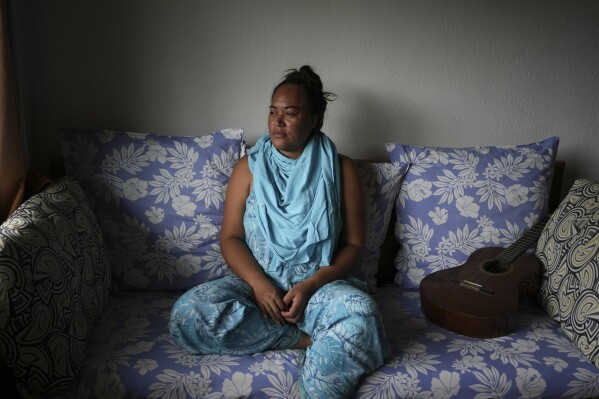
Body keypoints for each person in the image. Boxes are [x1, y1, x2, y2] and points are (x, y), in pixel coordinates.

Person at [169, 65, 389, 398]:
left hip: (318, 288)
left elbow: (355, 244)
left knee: (363, 315)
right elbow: (230, 238)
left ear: (314, 119)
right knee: (188, 313)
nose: (277, 121)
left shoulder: (341, 169)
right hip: (258, 289)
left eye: (290, 113)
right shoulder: (248, 168)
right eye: (273, 112)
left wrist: (311, 284)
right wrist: (259, 286)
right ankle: (306, 340)